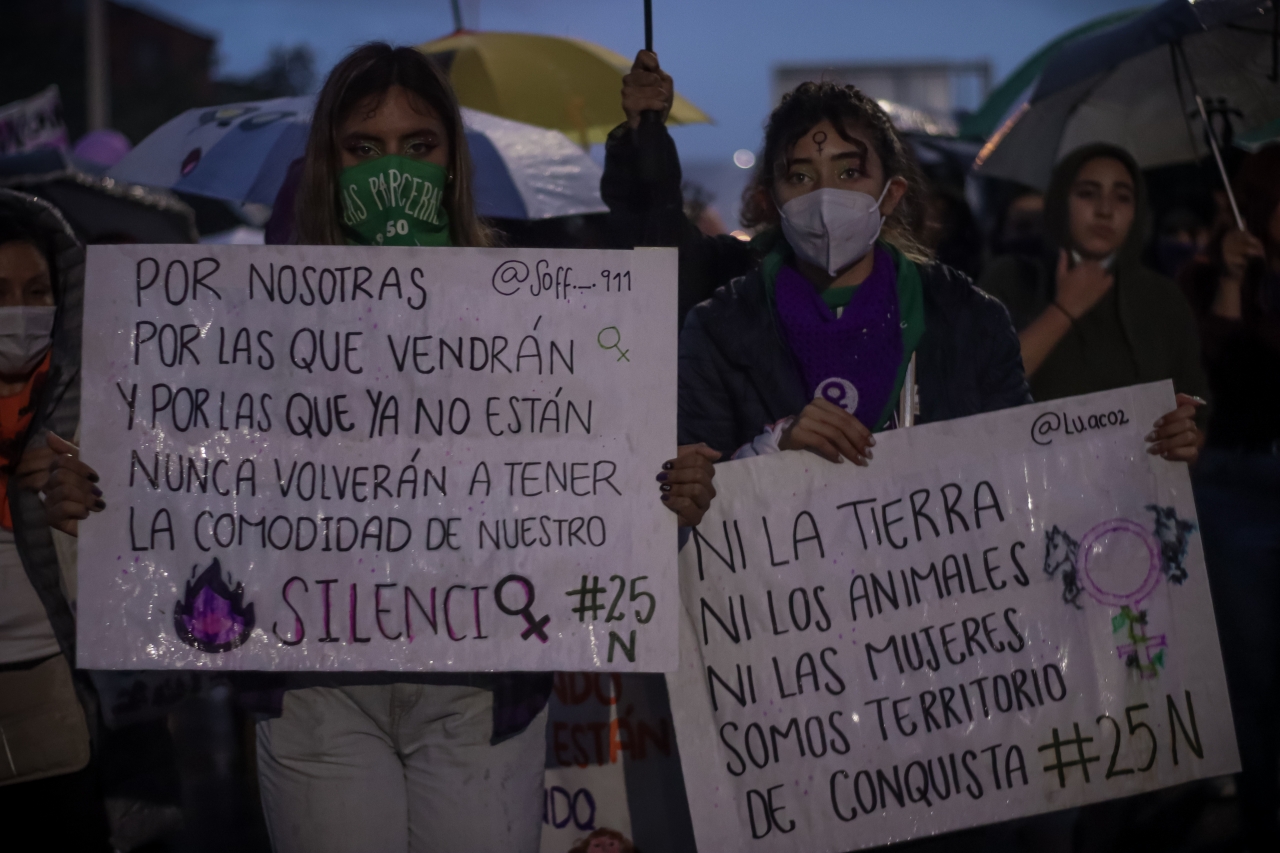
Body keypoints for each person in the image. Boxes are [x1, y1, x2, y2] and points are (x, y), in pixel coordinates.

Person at [44, 42, 716, 853]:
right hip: (315, 693)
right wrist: (103, 495)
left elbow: (583, 466)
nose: (390, 170)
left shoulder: (528, 311)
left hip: (481, 693)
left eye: (418, 146)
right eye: (364, 148)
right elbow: (188, 476)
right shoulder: (248, 321)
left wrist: (659, 483)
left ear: (452, 161)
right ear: (328, 160)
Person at [610, 52, 1031, 458]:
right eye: (800, 176)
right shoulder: (722, 330)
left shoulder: (969, 320)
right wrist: (773, 454)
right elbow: (694, 486)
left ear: (891, 194)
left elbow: (1020, 468)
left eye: (849, 172)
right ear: (772, 200)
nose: (826, 196)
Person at [977, 143, 1210, 464]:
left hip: (1135, 498)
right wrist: (1064, 309)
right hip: (1027, 493)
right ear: (1060, 202)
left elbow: (1195, 400)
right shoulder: (1012, 279)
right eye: (1088, 193)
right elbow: (978, 388)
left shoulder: (1161, 297)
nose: (1105, 210)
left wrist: (1187, 434)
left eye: (1122, 197)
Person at [0, 190, 110, 850]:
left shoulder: (98, 402)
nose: (18, 311)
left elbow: (152, 559)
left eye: (36, 289)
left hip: (59, 698)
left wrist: (90, 509)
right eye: (0, 290)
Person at [1177, 144, 1280, 851]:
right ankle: (1263, 811)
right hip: (1235, 484)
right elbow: (1201, 375)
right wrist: (1231, 283)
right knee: (1252, 664)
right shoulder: (1207, 275)